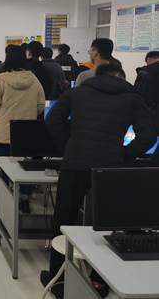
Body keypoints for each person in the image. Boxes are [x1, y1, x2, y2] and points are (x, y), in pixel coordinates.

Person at [42, 63, 155, 298]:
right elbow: (149, 134)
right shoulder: (132, 98)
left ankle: (57, 279)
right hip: (110, 168)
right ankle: (99, 281)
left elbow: (53, 119)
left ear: (97, 75)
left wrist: (68, 146)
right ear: (121, 76)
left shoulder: (77, 92)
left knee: (64, 219)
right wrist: (124, 154)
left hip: (74, 163)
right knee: (106, 226)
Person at [0, 45, 45, 156]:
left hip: (3, 134)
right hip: (26, 133)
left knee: (2, 165)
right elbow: (40, 106)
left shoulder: (0, 81)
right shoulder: (34, 80)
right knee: (22, 166)